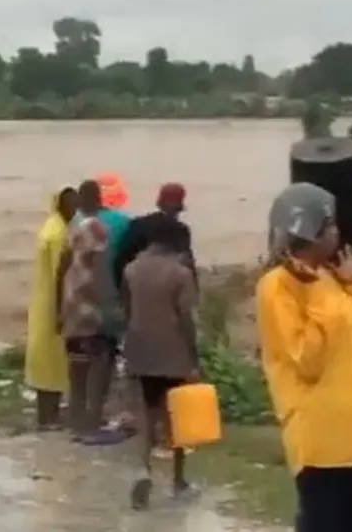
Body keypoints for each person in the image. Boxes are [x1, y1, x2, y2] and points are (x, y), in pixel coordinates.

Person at [256, 182, 352, 532]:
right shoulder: (278, 286)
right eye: (329, 225)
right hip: (322, 441)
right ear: (307, 230)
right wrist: (324, 296)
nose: (337, 232)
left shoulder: (333, 277)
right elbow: (307, 360)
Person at [122, 215, 200, 510]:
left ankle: (144, 468)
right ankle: (179, 480)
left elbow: (127, 309)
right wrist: (194, 356)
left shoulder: (132, 270)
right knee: (176, 416)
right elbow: (187, 319)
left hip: (140, 347)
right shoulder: (180, 273)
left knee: (147, 412)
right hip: (173, 350)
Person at [56, 179, 123, 443]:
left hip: (72, 305)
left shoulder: (71, 227)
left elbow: (61, 269)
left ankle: (76, 422)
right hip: (91, 307)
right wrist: (111, 305)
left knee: (77, 367)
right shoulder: (97, 228)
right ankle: (93, 422)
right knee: (100, 364)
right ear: (99, 199)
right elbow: (101, 269)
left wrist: (58, 309)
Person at [25, 187, 78, 431]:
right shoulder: (58, 234)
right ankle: (49, 418)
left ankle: (46, 416)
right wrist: (61, 310)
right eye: (72, 205)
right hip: (52, 303)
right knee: (52, 364)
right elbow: (62, 273)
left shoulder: (51, 225)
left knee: (45, 362)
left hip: (42, 300)